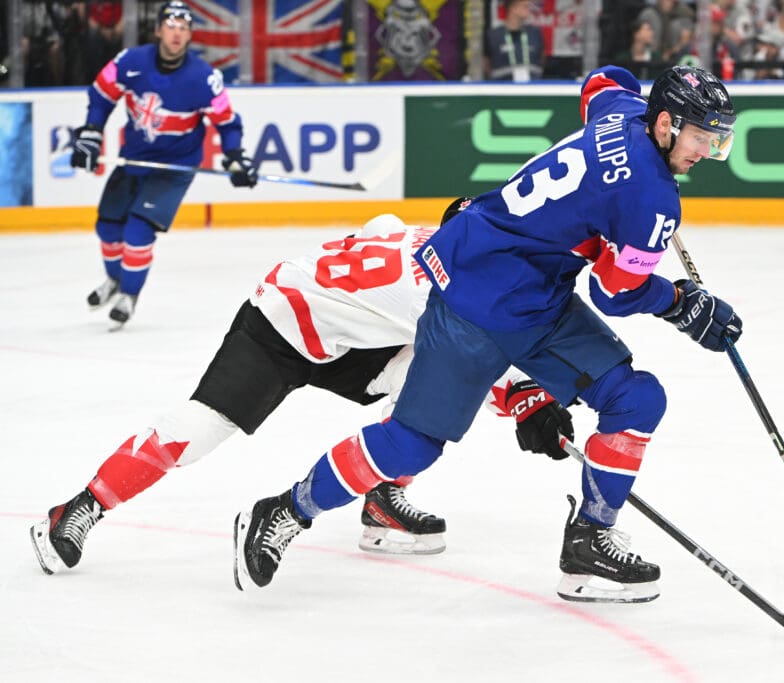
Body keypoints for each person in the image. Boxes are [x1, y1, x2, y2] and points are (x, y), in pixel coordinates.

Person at [233, 64, 742, 603]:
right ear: (664, 124)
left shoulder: (622, 111)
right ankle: (284, 511)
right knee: (412, 445)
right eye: (701, 136)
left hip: (528, 290)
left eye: (716, 139)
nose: (707, 151)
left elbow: (602, 81)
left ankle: (589, 545)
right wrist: (681, 303)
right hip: (473, 301)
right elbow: (617, 294)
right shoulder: (651, 197)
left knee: (636, 399)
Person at [30, 212, 574, 576]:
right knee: (199, 430)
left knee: (428, 389)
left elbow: (381, 226)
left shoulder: (432, 240)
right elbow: (478, 359)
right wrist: (527, 399)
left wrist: (527, 395)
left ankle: (381, 499)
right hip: (279, 324)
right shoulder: (440, 289)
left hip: (351, 335)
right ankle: (78, 509)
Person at [70, 1, 258, 329]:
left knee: (138, 229)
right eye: (171, 26)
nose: (177, 33)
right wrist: (91, 132)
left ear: (190, 35)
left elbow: (227, 122)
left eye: (184, 28)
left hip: (174, 167)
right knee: (108, 225)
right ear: (158, 30)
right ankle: (115, 280)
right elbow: (101, 95)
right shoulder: (129, 62)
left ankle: (129, 294)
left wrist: (235, 155)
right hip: (134, 158)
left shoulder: (204, 78)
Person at [485, 0, 545, 81]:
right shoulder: (494, 35)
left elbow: (542, 58)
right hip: (502, 85)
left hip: (533, 85)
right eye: (525, 6)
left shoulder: (535, 33)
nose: (529, 9)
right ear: (513, 8)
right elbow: (486, 64)